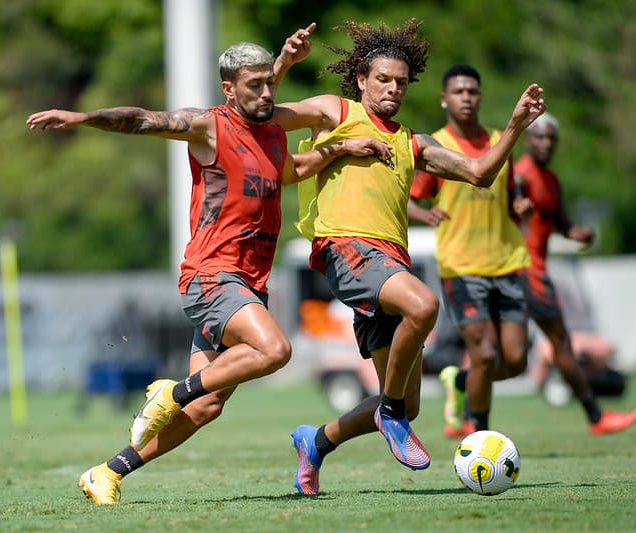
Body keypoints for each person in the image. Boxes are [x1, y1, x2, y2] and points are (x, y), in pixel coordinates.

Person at [27, 29, 393, 505]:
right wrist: (83, 117)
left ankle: (107, 471)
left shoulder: (272, 136)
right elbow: (143, 120)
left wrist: (340, 149)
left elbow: (294, 171)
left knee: (207, 406)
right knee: (275, 350)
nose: (266, 92)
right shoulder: (210, 127)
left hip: (248, 282)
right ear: (228, 89)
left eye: (269, 83)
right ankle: (170, 393)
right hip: (212, 275)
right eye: (254, 85)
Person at [271, 20, 546, 494]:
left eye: (401, 82)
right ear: (361, 79)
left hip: (388, 263)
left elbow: (480, 173)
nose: (394, 89)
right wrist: (282, 64)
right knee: (423, 305)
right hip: (346, 249)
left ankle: (315, 442)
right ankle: (392, 415)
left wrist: (517, 125)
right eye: (383, 79)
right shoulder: (334, 112)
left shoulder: (411, 142)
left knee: (405, 400)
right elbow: (263, 115)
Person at [407, 63, 536, 439]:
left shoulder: (501, 141)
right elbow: (411, 200)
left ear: (480, 97)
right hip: (462, 268)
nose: (466, 98)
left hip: (507, 261)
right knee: (484, 354)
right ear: (445, 99)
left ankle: (460, 381)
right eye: (458, 92)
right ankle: (482, 436)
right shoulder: (439, 147)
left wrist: (520, 208)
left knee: (515, 361)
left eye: (472, 92)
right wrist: (425, 212)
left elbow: (511, 197)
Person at [514, 112, 636, 434]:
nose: (545, 143)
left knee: (510, 357)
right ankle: (596, 417)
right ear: (527, 140)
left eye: (551, 138)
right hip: (524, 270)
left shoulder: (551, 180)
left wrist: (578, 233)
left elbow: (563, 225)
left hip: (535, 270)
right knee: (559, 342)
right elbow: (505, 213)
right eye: (539, 136)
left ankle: (459, 385)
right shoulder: (519, 176)